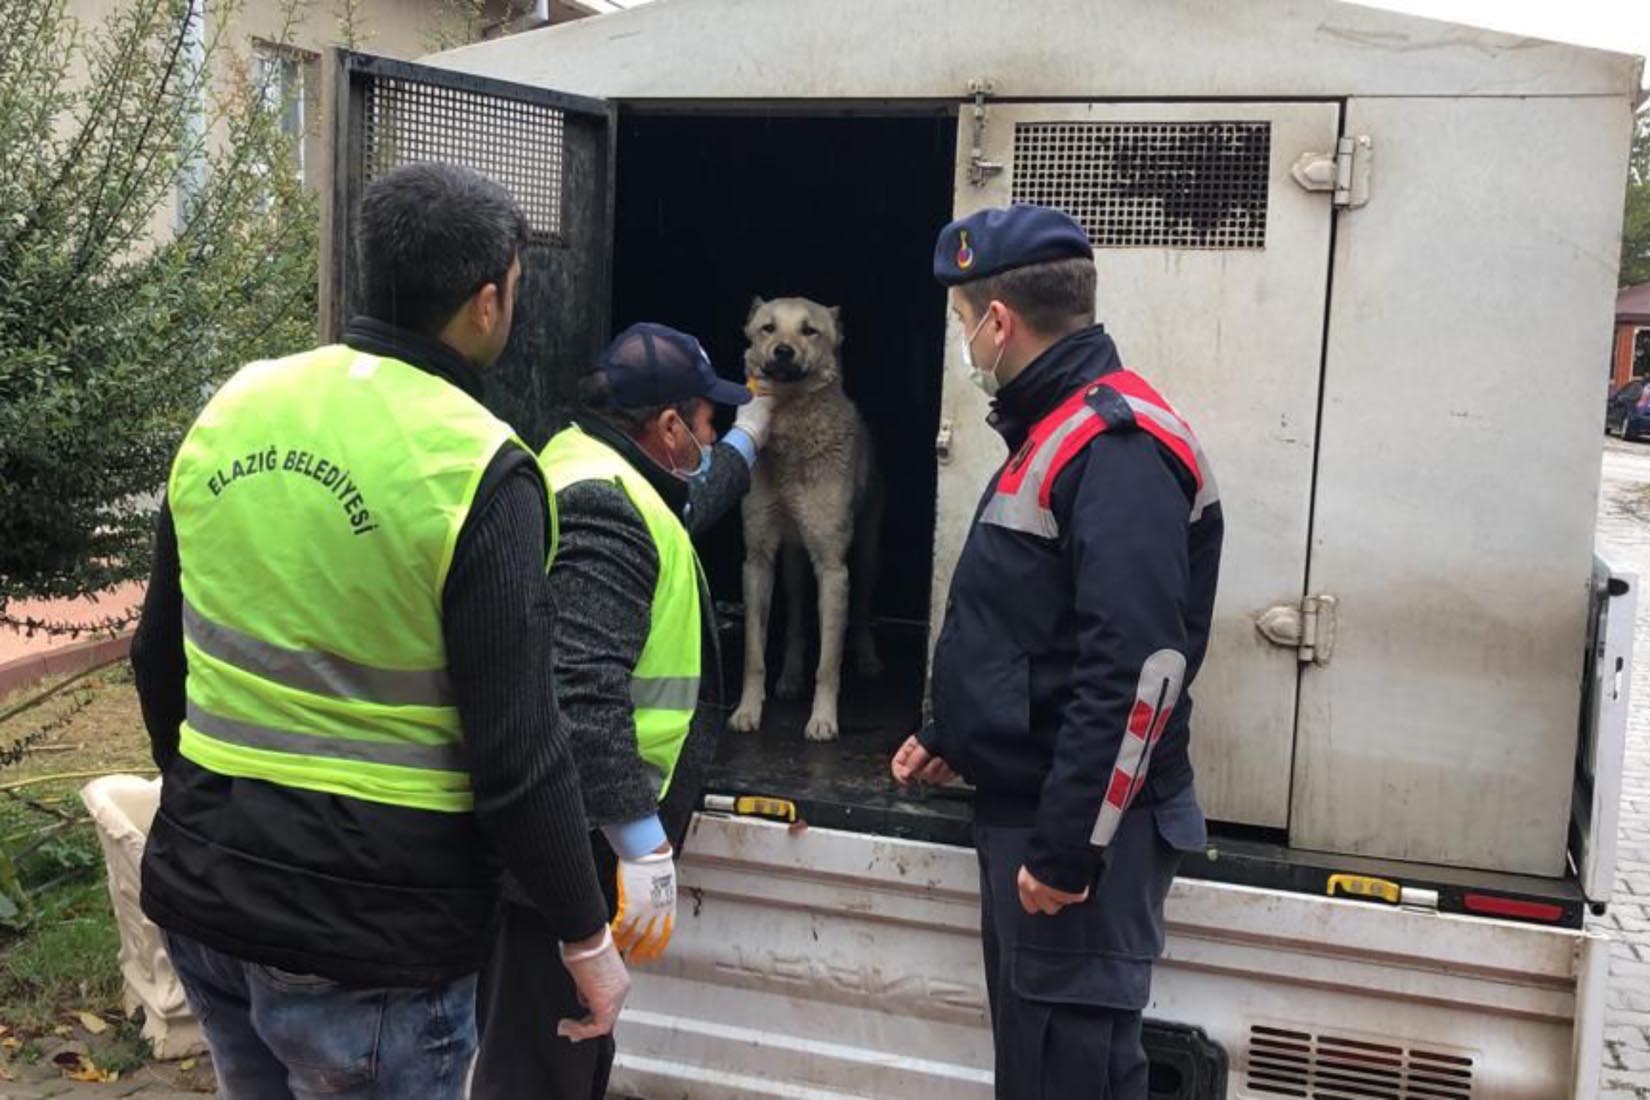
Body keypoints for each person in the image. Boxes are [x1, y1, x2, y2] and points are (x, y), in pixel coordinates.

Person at [129, 162, 627, 1099]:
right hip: (373, 944)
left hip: (208, 899)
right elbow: (518, 749)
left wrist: (208, 813)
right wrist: (585, 934)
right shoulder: (473, 463)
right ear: (487, 302)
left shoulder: (236, 404)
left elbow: (158, 651)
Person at [891, 204, 1224, 1099]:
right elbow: (1039, 627)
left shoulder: (1113, 445)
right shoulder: (1055, 429)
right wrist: (953, 730)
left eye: (966, 323)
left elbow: (1138, 675)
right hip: (1033, 807)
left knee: (1065, 1075)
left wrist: (1070, 848)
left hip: (1077, 840)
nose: (967, 344)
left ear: (998, 321)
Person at [471, 322, 771, 1098]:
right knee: (543, 1068)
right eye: (709, 423)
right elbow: (583, 692)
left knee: (562, 1056)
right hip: (571, 838)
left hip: (568, 827)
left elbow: (688, 500)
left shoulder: (585, 465)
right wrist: (640, 841)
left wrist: (747, 440)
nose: (711, 437)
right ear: (670, 426)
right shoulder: (608, 509)